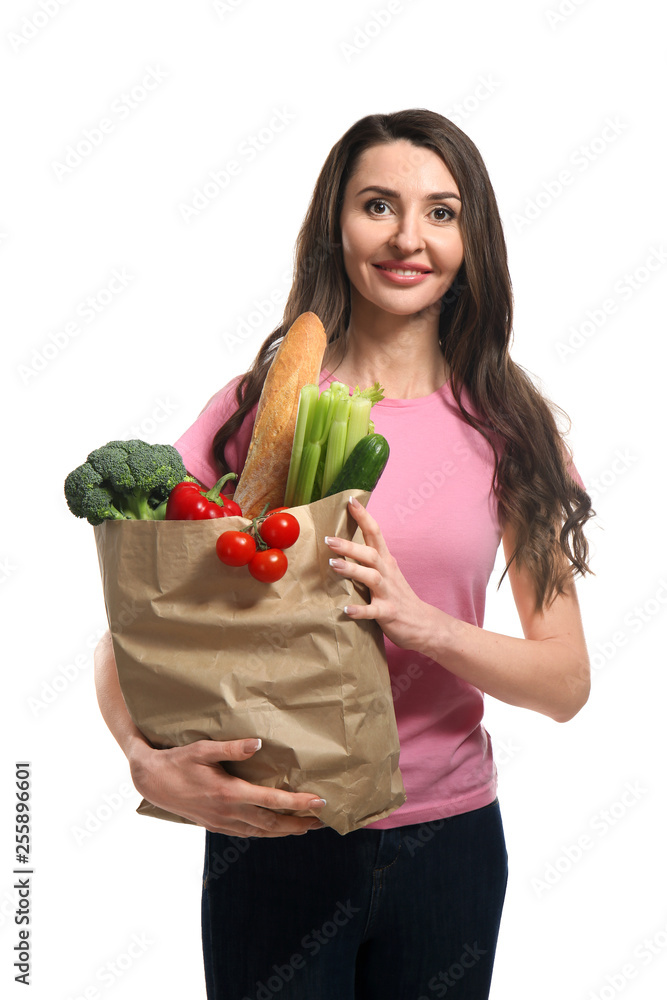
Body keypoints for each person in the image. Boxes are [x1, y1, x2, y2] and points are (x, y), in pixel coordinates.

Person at [94, 108, 594, 999]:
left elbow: (562, 683)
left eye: (442, 212)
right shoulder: (254, 411)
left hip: (448, 844)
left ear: (473, 239)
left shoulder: (510, 431)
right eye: (378, 205)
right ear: (336, 222)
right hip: (272, 832)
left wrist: (419, 624)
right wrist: (145, 760)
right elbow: (140, 625)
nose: (409, 238)